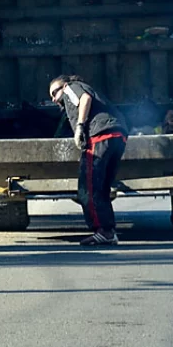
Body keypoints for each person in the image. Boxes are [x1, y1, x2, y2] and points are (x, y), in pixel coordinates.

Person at [49, 75, 128, 247]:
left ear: (63, 86)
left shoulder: (71, 87)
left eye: (54, 93)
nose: (55, 100)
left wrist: (80, 126)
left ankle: (104, 231)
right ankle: (108, 231)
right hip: (118, 136)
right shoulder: (83, 90)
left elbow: (85, 99)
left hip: (100, 135)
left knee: (88, 188)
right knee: (101, 188)